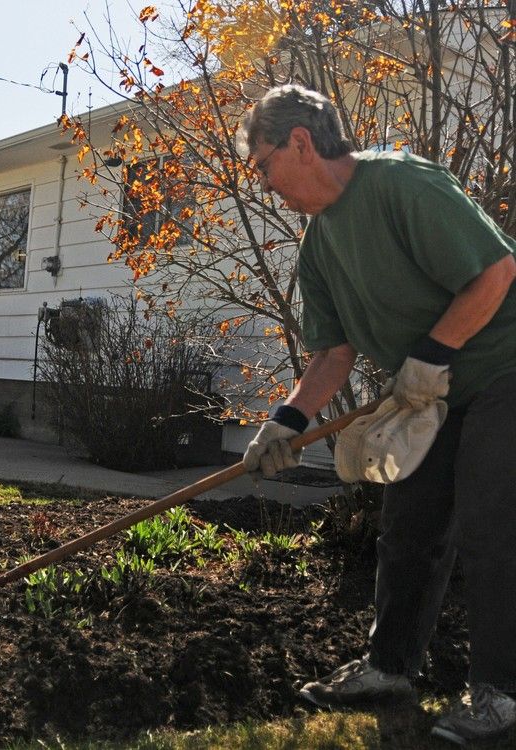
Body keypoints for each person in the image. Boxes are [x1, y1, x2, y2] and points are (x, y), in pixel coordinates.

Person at [238, 84, 516, 746]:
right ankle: (390, 668)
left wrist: (429, 355)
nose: (263, 183)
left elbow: (498, 273)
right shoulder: (319, 246)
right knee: (410, 527)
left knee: (491, 524)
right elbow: (334, 353)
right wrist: (287, 422)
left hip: (506, 370)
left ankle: (502, 693)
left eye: (261, 164)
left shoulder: (402, 185)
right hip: (436, 393)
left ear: (300, 143)